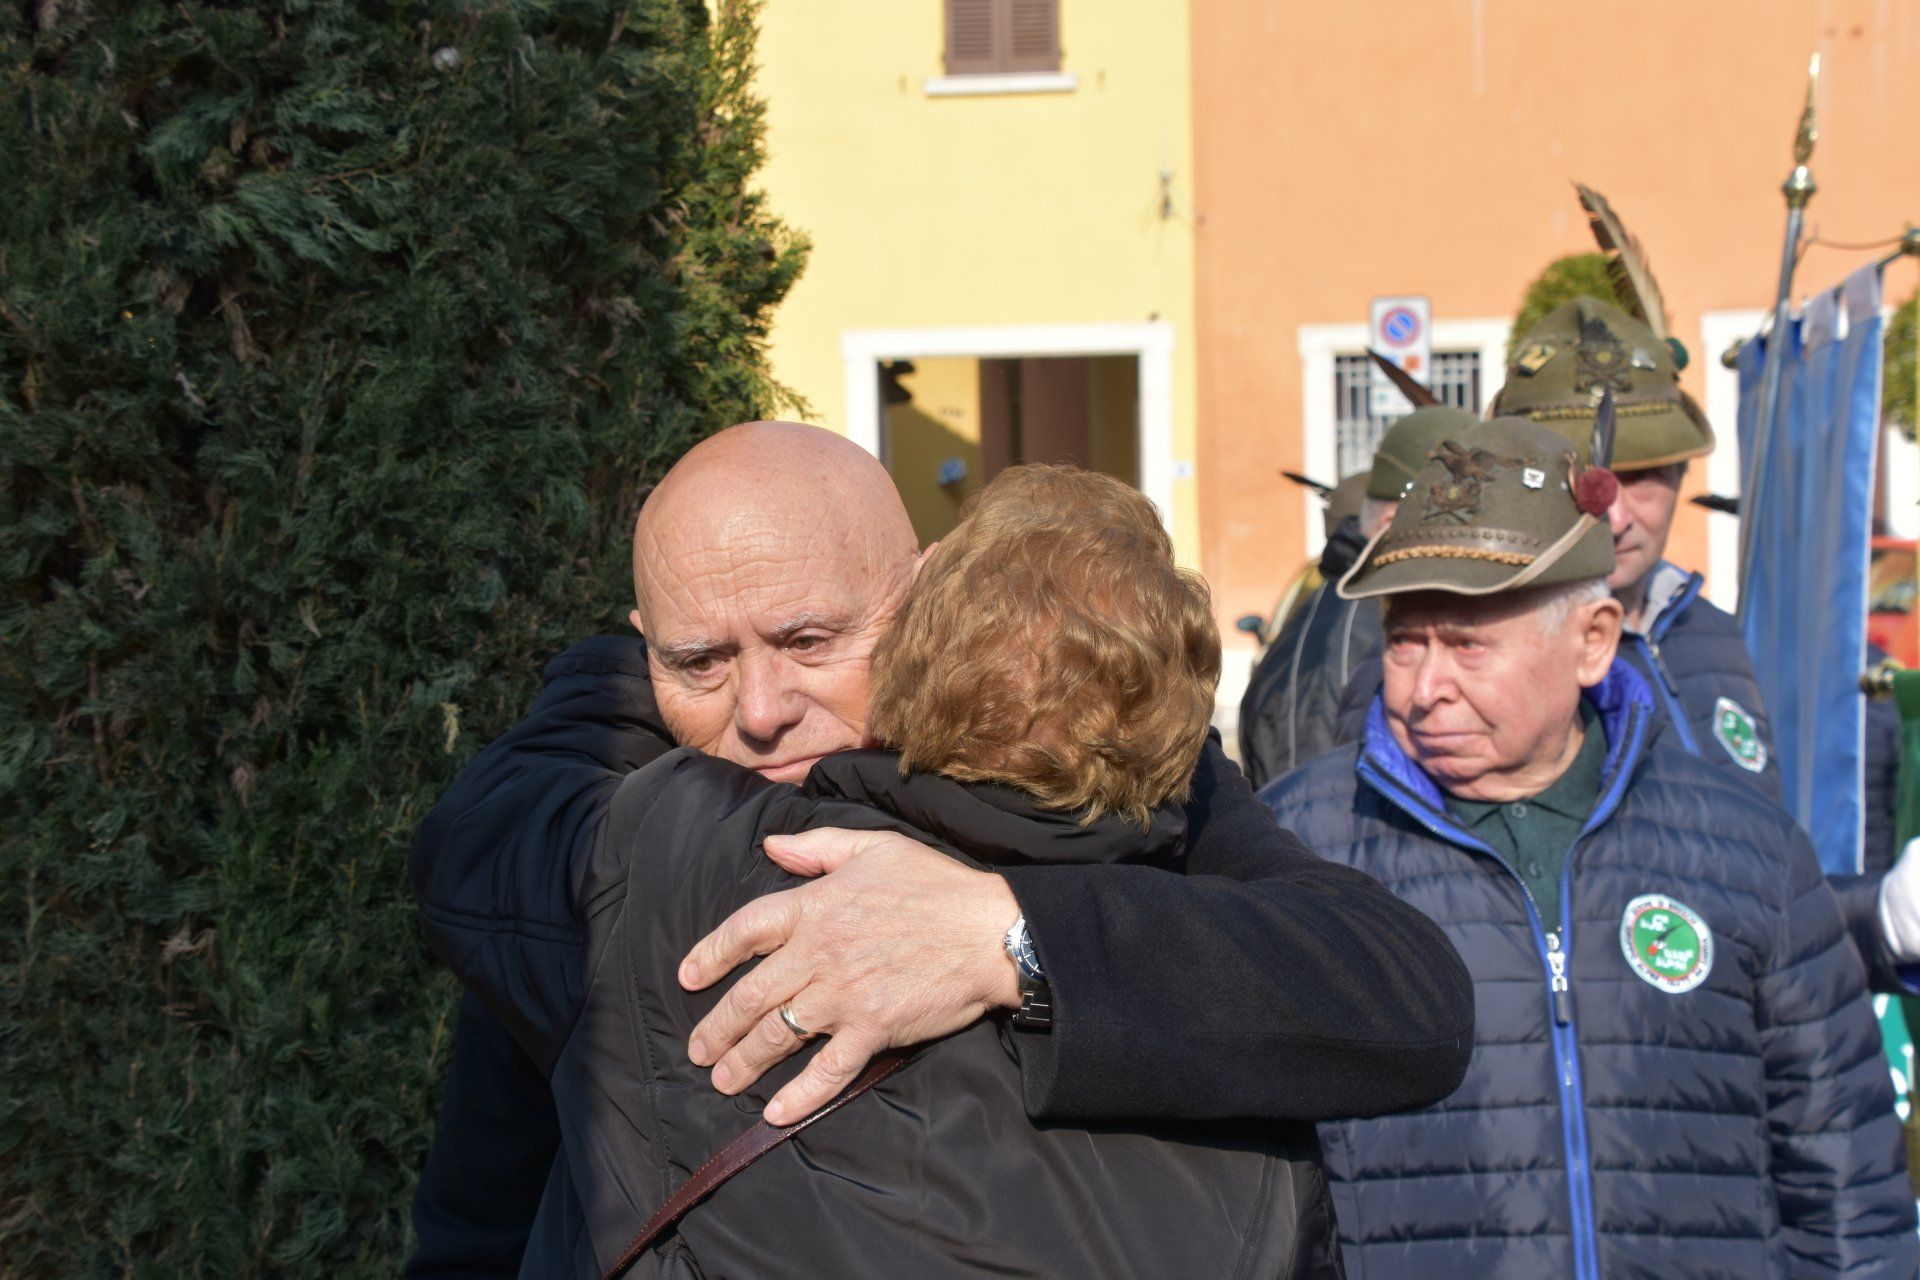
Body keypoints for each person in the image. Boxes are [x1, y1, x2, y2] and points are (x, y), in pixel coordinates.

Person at [407, 422, 1476, 1275]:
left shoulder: (1096, 770)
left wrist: (1003, 934)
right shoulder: (630, 856)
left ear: (919, 599)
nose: (762, 710)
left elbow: (1404, 997)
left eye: (809, 641)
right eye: (700, 662)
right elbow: (483, 1215)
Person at [1260, 414, 1915, 1278]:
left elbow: (1846, 1192)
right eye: (1405, 642)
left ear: (1594, 641)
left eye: (1467, 645)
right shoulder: (1294, 852)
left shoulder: (1747, 849)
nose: (1425, 687)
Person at [1240, 402, 1474, 786]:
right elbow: (1311, 796)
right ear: (1390, 523)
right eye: (1460, 527)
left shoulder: (1376, 606)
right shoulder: (1348, 631)